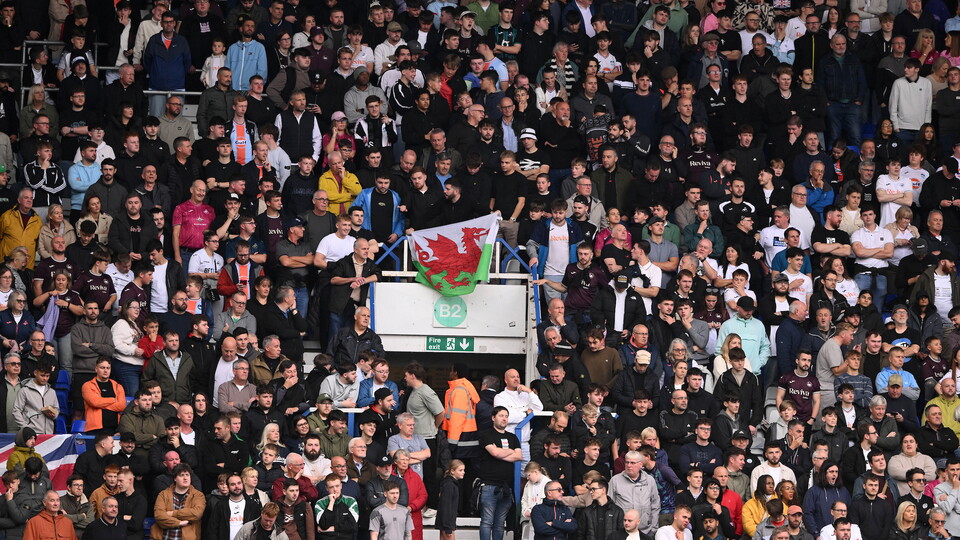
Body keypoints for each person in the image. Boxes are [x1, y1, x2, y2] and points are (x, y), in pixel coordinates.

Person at [149, 464, 205, 540]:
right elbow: (159, 516)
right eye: (182, 475)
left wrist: (172, 514)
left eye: (187, 475)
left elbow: (196, 514)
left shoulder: (198, 495)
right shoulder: (163, 494)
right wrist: (179, 523)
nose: (185, 478)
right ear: (175, 478)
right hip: (165, 537)